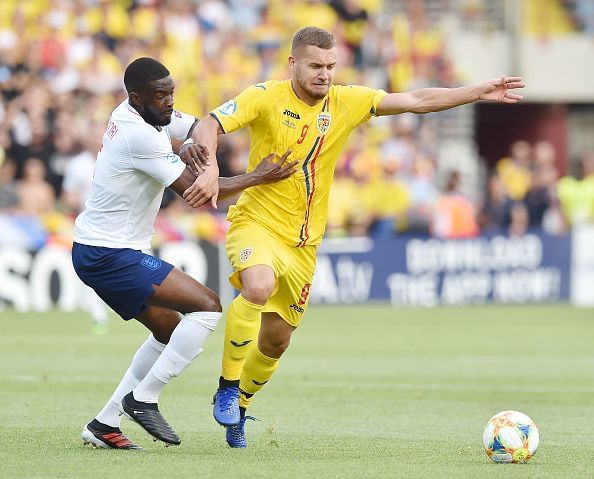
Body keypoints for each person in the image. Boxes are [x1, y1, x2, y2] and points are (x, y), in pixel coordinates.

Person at [184, 26, 525, 448]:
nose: (324, 74)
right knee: (258, 286)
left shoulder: (348, 101)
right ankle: (227, 387)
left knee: (277, 340)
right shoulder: (265, 95)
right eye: (315, 66)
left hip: (305, 244)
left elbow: (416, 100)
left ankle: (243, 406)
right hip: (256, 224)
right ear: (293, 63)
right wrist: (211, 168)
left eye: (330, 66)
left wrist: (474, 92)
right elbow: (207, 124)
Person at [72, 57, 297, 450]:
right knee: (208, 306)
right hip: (109, 253)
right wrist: (259, 176)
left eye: (172, 92)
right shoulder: (137, 134)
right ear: (137, 97)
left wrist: (195, 144)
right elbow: (200, 193)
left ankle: (104, 424)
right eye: (162, 96)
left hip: (103, 248)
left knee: (169, 329)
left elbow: (195, 127)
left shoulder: (147, 113)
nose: (170, 102)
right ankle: (144, 399)